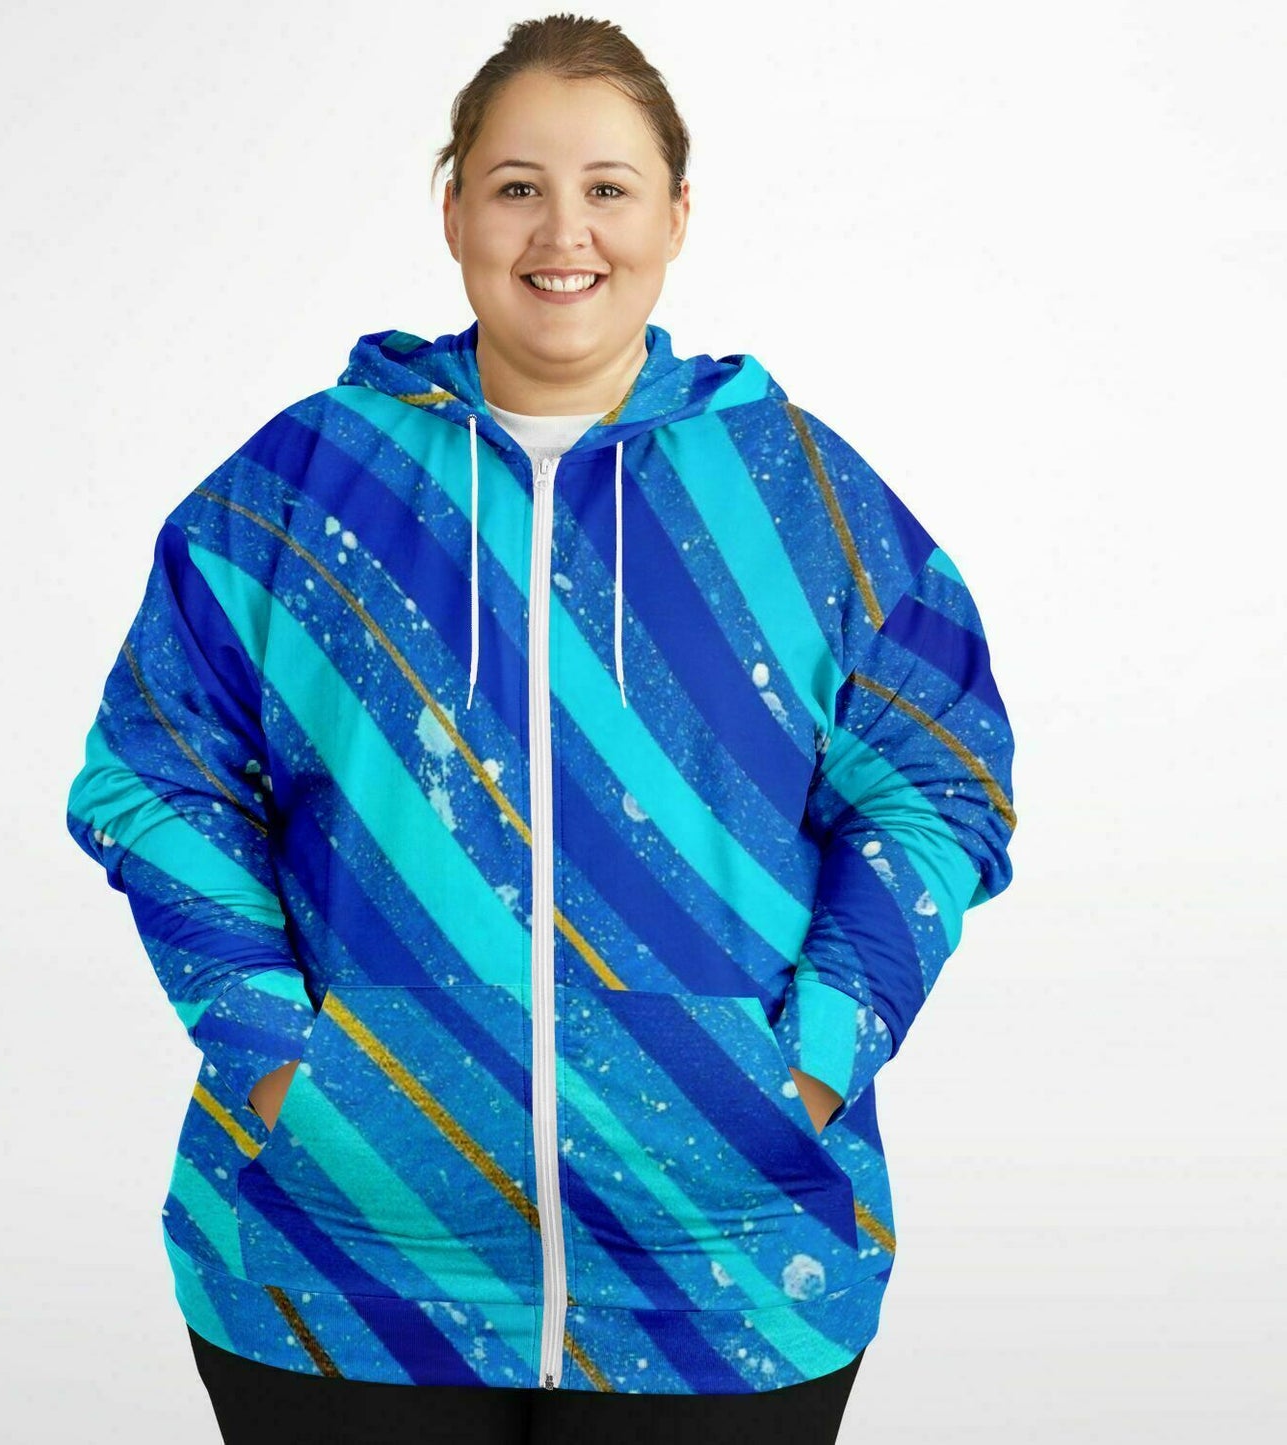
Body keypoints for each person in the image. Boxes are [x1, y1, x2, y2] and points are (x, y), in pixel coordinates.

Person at [65, 13, 1017, 1444]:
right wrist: (281, 1062)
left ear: (676, 216)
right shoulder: (296, 487)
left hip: (726, 1275)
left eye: (608, 188)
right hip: (340, 1275)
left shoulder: (801, 497)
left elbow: (937, 789)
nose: (563, 231)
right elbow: (155, 774)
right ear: (453, 209)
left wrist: (812, 1061)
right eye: (518, 185)